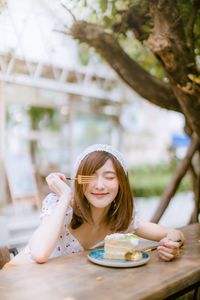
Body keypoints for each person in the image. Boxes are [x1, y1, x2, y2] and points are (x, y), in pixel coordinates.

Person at [8, 144, 184, 266]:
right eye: (90, 177)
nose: (99, 185)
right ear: (79, 181)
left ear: (121, 183)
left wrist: (171, 245)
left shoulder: (121, 221)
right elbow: (39, 254)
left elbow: (175, 233)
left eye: (109, 177)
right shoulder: (61, 206)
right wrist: (66, 194)